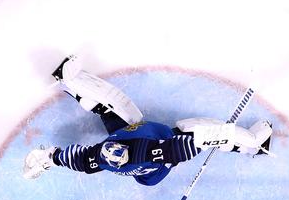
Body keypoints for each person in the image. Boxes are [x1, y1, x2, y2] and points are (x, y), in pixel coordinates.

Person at [23, 56, 273, 184]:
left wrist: (50, 158)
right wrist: (215, 136)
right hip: (158, 157)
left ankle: (69, 80)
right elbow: (197, 142)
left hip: (142, 139)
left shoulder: (101, 157)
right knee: (197, 127)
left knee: (117, 107)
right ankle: (254, 143)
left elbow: (74, 159)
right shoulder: (159, 151)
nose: (109, 145)